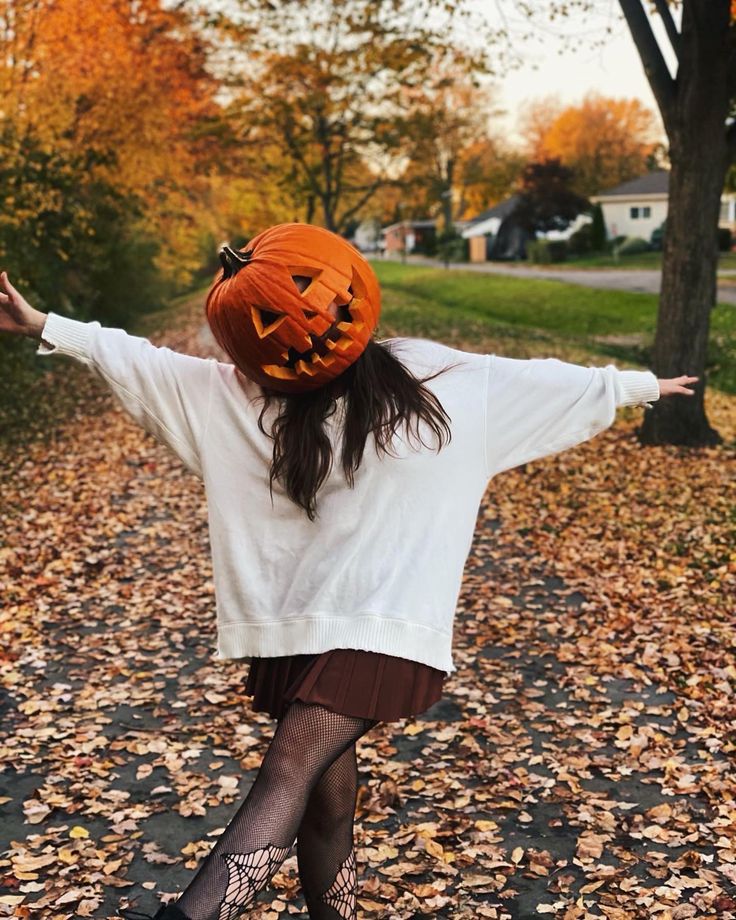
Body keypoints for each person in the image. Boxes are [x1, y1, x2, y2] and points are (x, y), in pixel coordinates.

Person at [0, 223, 697, 920]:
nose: (303, 322)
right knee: (327, 809)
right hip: (309, 627)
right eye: (272, 318)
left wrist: (638, 385)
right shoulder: (241, 398)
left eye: (310, 295)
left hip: (386, 630)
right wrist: (42, 325)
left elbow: (544, 382)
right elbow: (142, 362)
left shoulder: (438, 380)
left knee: (286, 772)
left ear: (348, 290)